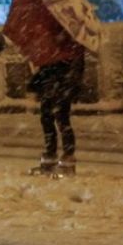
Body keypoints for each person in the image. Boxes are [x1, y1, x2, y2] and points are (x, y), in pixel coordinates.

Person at [29, 37, 85, 178]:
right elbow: (45, 67)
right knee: (47, 120)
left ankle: (67, 161)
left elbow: (75, 69)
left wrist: (68, 86)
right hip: (50, 86)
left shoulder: (71, 43)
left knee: (62, 121)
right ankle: (50, 158)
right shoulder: (49, 41)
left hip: (60, 87)